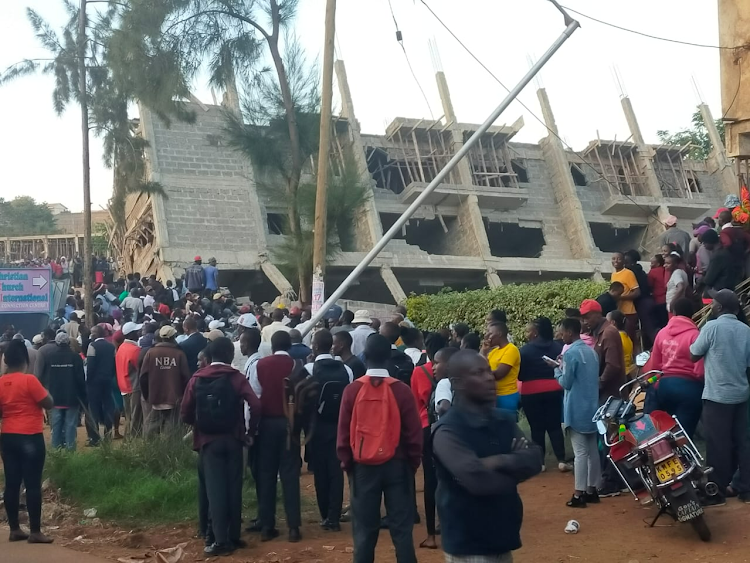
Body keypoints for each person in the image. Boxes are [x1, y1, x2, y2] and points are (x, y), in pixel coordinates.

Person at [433, 350, 542, 563]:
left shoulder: (502, 419)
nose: (489, 377)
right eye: (479, 373)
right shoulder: (447, 430)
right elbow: (478, 482)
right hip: (469, 546)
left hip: (502, 538)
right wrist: (517, 467)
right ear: (458, 382)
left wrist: (499, 461)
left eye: (489, 371)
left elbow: (536, 458)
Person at [337, 334, 422, 563]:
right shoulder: (402, 391)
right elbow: (414, 434)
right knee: (402, 531)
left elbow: (343, 433)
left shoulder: (352, 390)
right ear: (388, 358)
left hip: (363, 466)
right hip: (398, 464)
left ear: (365, 357)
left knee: (364, 531)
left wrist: (348, 464)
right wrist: (411, 463)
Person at [181, 337, 261, 556]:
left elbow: (185, 411)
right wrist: (249, 431)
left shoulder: (198, 377)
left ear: (210, 356)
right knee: (234, 488)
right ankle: (234, 535)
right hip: (234, 439)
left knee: (215, 490)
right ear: (229, 355)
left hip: (207, 441)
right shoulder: (236, 377)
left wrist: (198, 423)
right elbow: (255, 403)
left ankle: (220, 540)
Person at [690, 290, 750, 505]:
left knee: (717, 445)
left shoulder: (712, 327)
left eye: (713, 303)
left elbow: (693, 353)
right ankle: (746, 490)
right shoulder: (746, 330)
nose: (711, 305)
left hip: (717, 396)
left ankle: (716, 493)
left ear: (720, 307)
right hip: (741, 395)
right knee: (743, 442)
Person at [0, 340, 55, 544]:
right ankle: (35, 531)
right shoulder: (29, 380)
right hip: (30, 436)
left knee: (11, 483)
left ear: (5, 361)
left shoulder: (0, 383)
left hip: (8, 437)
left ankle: (14, 529)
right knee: (32, 484)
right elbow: (48, 402)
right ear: (25, 361)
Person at [298, 330, 352, 531]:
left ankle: (325, 515)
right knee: (336, 471)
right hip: (339, 425)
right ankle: (334, 516)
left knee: (320, 471)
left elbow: (300, 397)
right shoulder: (346, 369)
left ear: (314, 345)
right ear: (331, 345)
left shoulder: (309, 368)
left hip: (316, 427)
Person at [252, 331, 302, 542]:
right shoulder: (298, 365)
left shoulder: (260, 365)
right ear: (289, 345)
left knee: (266, 475)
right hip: (289, 426)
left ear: (271, 346)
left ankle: (267, 526)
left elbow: (255, 398)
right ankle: (293, 527)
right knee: (290, 475)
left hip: (266, 425)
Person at [552, 318, 602, 508]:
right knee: (592, 452)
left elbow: (566, 383)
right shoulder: (591, 352)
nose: (561, 335)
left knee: (580, 453)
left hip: (576, 408)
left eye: (562, 332)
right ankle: (592, 490)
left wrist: (557, 369)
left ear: (570, 332)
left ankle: (578, 494)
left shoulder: (571, 353)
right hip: (592, 407)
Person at [409, 333, 446, 549]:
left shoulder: (418, 372)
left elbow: (416, 405)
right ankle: (447, 521)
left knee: (430, 480)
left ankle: (431, 535)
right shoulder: (453, 372)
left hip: (425, 428)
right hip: (448, 428)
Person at [648, 298, 704, 438]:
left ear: (673, 312)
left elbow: (654, 366)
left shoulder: (661, 333)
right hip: (689, 390)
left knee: (663, 433)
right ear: (691, 314)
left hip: (664, 387)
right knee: (682, 437)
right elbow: (700, 370)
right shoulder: (695, 335)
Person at [518, 317, 568, 471]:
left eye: (529, 330)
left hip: (531, 392)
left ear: (535, 332)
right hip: (554, 389)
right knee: (554, 426)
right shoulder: (558, 346)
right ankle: (561, 460)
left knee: (537, 428)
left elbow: (520, 376)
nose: (527, 333)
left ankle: (540, 463)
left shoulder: (524, 350)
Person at [139, 325, 191, 436]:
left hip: (155, 398)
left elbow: (143, 377)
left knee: (150, 429)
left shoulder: (151, 353)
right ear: (173, 337)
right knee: (172, 431)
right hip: (175, 399)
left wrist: (147, 396)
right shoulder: (179, 354)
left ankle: (150, 450)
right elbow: (186, 378)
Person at [40, 333, 86, 450]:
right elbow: (80, 379)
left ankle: (56, 452)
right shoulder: (75, 357)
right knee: (70, 425)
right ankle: (70, 451)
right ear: (69, 343)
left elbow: (46, 377)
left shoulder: (50, 357)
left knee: (56, 425)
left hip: (54, 397)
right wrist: (83, 396)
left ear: (56, 343)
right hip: (71, 397)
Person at [85, 324, 117, 444]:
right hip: (107, 380)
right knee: (108, 406)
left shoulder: (92, 346)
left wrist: (89, 381)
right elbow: (114, 365)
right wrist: (109, 376)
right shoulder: (111, 346)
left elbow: (91, 366)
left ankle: (94, 437)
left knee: (93, 408)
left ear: (96, 334)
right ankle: (108, 434)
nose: (91, 334)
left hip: (94, 382)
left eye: (92, 332)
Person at [483, 322, 521, 413]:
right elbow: (478, 365)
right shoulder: (493, 351)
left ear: (499, 333)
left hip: (506, 395)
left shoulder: (511, 349)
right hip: (493, 395)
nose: (487, 336)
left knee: (507, 425)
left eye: (490, 333)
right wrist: (483, 351)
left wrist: (482, 375)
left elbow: (499, 374)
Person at [624, 249, 657, 348]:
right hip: (649, 301)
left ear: (633, 262)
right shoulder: (641, 271)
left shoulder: (631, 273)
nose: (625, 265)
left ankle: (659, 348)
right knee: (649, 328)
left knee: (649, 328)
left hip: (642, 303)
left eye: (627, 262)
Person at [115, 321, 143, 437]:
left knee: (128, 415)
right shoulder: (135, 350)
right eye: (136, 331)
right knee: (135, 416)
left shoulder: (121, 347)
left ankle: (128, 440)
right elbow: (140, 368)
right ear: (131, 334)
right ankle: (132, 440)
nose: (139, 333)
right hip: (133, 386)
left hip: (123, 385)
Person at [610, 251, 640, 343]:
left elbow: (637, 292)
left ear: (623, 261)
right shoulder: (613, 274)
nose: (616, 261)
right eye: (614, 259)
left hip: (629, 312)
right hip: (618, 312)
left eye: (619, 259)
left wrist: (621, 298)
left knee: (629, 338)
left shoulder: (628, 273)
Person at [433, 347, 460, 419]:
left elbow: (444, 408)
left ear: (449, 365)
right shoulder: (465, 382)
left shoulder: (444, 383)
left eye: (436, 363)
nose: (433, 367)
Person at [606, 311, 634, 379]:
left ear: (612, 323)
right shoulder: (626, 336)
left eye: (606, 321)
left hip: (621, 375)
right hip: (629, 373)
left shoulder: (616, 338)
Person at [647, 254, 668, 329]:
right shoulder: (667, 269)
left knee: (661, 323)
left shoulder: (652, 272)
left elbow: (649, 285)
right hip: (668, 298)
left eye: (652, 263)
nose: (650, 265)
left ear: (658, 264)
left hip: (658, 300)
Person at [665, 252, 688, 316]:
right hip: (679, 305)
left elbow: (681, 287)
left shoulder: (676, 273)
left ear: (675, 264)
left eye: (668, 263)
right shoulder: (682, 272)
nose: (665, 265)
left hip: (674, 307)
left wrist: (672, 302)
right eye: (665, 263)